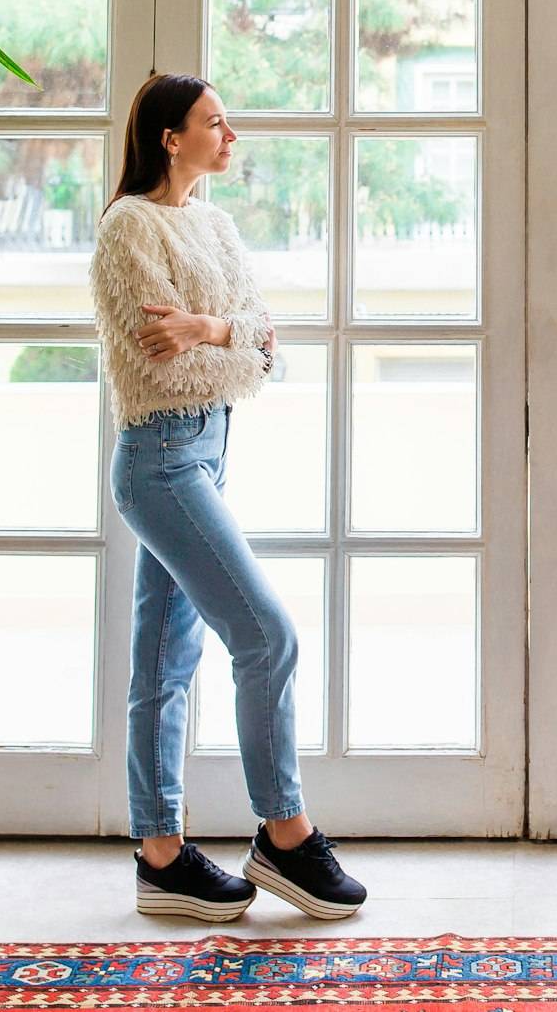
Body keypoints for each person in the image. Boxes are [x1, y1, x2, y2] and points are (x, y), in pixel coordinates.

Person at [89, 72, 367, 923]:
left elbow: (259, 344)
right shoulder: (127, 227)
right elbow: (155, 356)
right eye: (217, 121)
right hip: (161, 456)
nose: (231, 135)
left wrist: (211, 328)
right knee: (265, 634)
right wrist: (227, 339)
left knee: (164, 663)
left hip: (206, 451)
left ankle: (161, 856)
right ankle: (283, 835)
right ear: (171, 137)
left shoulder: (214, 223)